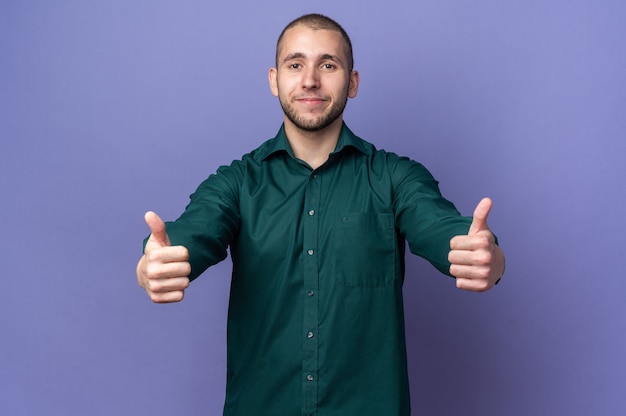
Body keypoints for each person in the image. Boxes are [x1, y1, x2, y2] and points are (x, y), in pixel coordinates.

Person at [136, 13, 505, 416]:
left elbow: (446, 232)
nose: (310, 79)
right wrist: (156, 259)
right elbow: (190, 234)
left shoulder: (394, 177)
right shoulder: (238, 182)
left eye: (328, 65)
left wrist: (488, 257)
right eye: (296, 65)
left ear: (353, 82)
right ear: (275, 80)